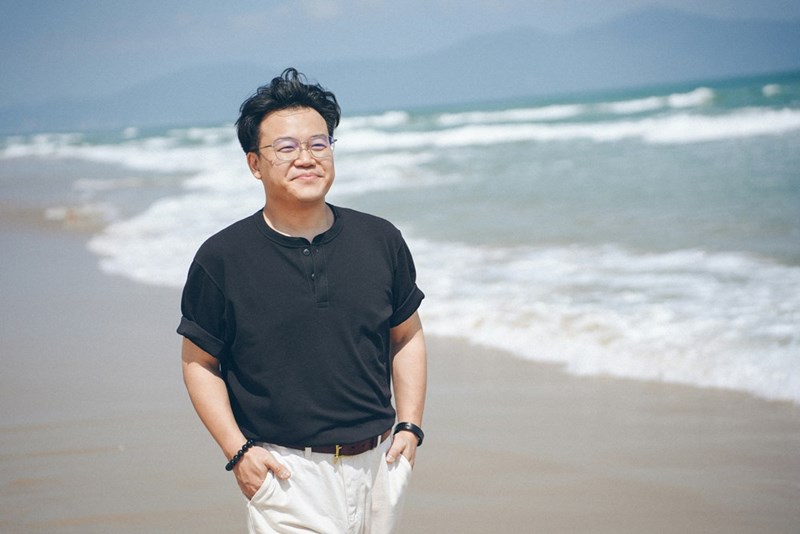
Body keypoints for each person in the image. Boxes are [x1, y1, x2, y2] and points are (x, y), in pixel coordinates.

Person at [177, 67, 427, 534]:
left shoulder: (380, 239)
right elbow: (198, 362)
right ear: (255, 164)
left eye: (319, 143)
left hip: (381, 464)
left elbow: (406, 335)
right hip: (286, 474)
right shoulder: (223, 258)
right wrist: (238, 452)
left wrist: (410, 427)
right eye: (286, 148)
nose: (307, 158)